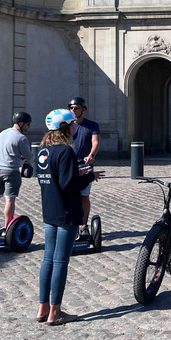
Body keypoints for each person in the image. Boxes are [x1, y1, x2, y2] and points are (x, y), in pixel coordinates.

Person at [36, 109, 103, 326]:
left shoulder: (43, 150)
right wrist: (89, 176)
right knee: (60, 261)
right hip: (67, 211)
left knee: (47, 260)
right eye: (72, 125)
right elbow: (68, 184)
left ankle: (42, 308)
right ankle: (55, 313)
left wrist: (77, 172)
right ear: (63, 127)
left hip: (50, 209)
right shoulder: (65, 150)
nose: (75, 128)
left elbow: (53, 177)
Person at [0, 112, 35, 236]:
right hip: (11, 171)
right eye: (28, 124)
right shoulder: (21, 138)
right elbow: (29, 157)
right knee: (9, 200)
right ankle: (8, 230)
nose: (29, 127)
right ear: (21, 123)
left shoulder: (2, 133)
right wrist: (32, 159)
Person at [68, 97, 100, 238]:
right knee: (69, 197)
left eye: (76, 108)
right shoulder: (66, 125)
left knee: (84, 197)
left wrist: (91, 155)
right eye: (71, 108)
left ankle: (83, 225)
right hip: (69, 165)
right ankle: (71, 225)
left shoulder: (92, 125)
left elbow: (96, 142)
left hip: (85, 165)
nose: (73, 110)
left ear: (83, 110)